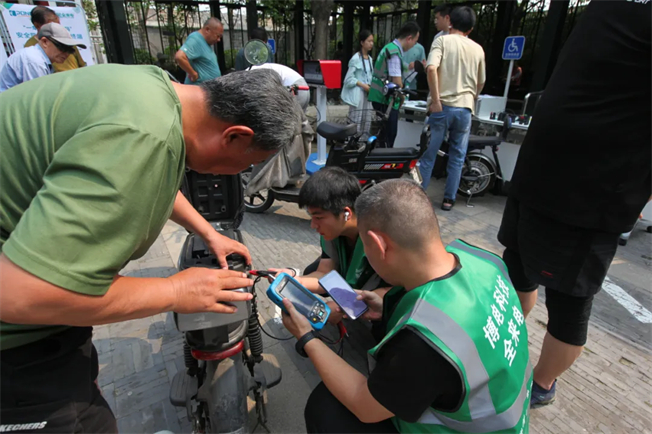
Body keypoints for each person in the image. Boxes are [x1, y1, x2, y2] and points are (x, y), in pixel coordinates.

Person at [0, 66, 300, 431]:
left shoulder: (157, 94)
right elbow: (21, 296)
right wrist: (175, 291)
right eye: (249, 164)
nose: (241, 172)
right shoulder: (142, 137)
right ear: (236, 135)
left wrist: (207, 231)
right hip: (15, 347)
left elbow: (144, 172)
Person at [280, 179, 531, 434]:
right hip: (507, 414)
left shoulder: (426, 340)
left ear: (379, 245)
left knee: (326, 410)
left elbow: (364, 405)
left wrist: (307, 337)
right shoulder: (484, 259)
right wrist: (387, 307)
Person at [498, 0, 651, 408]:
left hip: (582, 189)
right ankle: (510, 353)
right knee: (521, 273)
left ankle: (537, 381)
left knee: (563, 298)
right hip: (547, 176)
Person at [271, 167, 388, 324]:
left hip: (382, 298)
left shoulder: (380, 238)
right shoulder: (332, 234)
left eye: (319, 217)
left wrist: (348, 306)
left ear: (346, 213)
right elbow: (324, 273)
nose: (313, 225)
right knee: (310, 272)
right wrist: (294, 281)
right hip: (358, 289)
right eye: (311, 217)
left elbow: (397, 288)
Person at [418, 6, 486, 211]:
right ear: (470, 28)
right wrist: (471, 97)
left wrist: (436, 100)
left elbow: (431, 68)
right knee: (457, 156)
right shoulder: (478, 49)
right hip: (465, 109)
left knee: (429, 155)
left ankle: (419, 197)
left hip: (443, 107)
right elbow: (481, 82)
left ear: (450, 22)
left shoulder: (442, 41)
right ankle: (449, 200)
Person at [368, 22, 420, 148]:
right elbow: (397, 81)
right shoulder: (394, 52)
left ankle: (379, 156)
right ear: (409, 38)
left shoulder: (390, 48)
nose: (414, 45)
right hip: (385, 100)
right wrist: (402, 94)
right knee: (388, 136)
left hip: (379, 97)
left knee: (383, 135)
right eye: (415, 41)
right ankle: (383, 158)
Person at [0, 23, 85, 93]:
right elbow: (37, 98)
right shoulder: (34, 60)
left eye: (70, 50)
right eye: (63, 47)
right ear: (45, 42)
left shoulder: (43, 60)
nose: (67, 54)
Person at [24, 6, 86, 73]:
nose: (66, 54)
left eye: (69, 50)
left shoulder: (65, 38)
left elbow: (82, 65)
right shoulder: (31, 52)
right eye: (61, 47)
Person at [341, 30, 374, 137]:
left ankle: (363, 142)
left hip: (367, 94)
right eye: (369, 41)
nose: (371, 44)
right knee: (356, 120)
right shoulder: (356, 58)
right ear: (362, 42)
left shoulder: (370, 59)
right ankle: (352, 143)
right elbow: (348, 79)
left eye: (372, 41)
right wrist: (363, 85)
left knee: (366, 120)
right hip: (358, 93)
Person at [175, 17, 223, 84]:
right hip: (198, 88)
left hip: (209, 87)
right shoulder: (196, 39)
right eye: (217, 36)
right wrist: (193, 74)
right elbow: (180, 56)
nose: (219, 40)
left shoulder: (205, 42)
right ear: (207, 29)